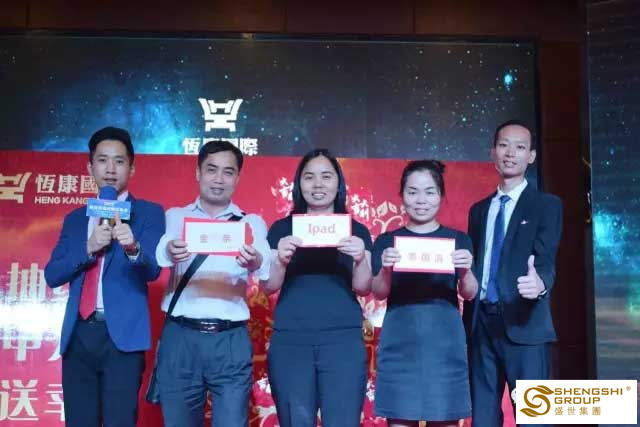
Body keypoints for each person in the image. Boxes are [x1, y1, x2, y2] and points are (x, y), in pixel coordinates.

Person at [44, 126, 165, 427]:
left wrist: (133, 247)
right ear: (90, 167)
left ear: (132, 168)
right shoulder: (76, 219)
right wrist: (88, 247)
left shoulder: (148, 213)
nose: (110, 169)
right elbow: (52, 274)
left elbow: (153, 270)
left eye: (119, 161)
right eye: (102, 160)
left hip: (121, 338)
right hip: (78, 336)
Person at [154, 140, 270, 427]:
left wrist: (254, 259)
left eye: (228, 172)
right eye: (211, 169)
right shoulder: (176, 216)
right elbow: (162, 250)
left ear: (237, 177)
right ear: (198, 172)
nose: (219, 179)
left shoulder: (251, 223)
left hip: (229, 339)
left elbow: (263, 264)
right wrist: (170, 250)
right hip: (181, 336)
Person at [262, 148, 373, 427]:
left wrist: (361, 258)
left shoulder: (356, 230)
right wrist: (280, 260)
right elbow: (268, 286)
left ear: (338, 183)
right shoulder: (281, 229)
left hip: (343, 341)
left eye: (326, 176)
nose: (318, 184)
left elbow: (363, 288)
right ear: (299, 184)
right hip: (291, 341)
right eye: (309, 177)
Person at [463, 120, 563, 427]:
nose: (510, 153)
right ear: (493, 152)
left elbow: (546, 261)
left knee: (534, 419)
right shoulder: (479, 210)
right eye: (504, 145)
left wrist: (540, 283)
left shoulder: (546, 205)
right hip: (481, 325)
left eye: (520, 147)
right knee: (483, 418)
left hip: (525, 323)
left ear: (531, 156)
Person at [371, 160, 477, 427]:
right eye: (412, 192)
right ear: (402, 195)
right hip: (400, 343)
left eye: (429, 192)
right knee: (400, 418)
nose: (421, 200)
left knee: (445, 418)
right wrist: (385, 269)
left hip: (445, 345)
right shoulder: (387, 241)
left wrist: (465, 271)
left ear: (441, 196)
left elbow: (470, 293)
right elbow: (379, 292)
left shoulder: (459, 240)